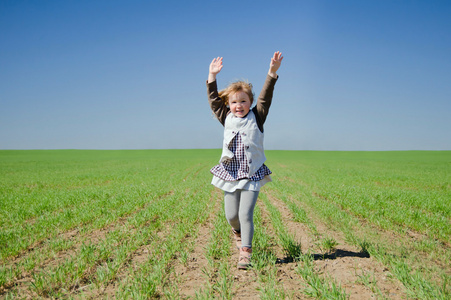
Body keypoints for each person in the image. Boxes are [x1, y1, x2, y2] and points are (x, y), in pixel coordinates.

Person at [206, 51, 283, 269]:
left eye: (243, 101)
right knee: (231, 216)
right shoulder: (226, 117)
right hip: (230, 174)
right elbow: (213, 100)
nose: (238, 105)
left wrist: (272, 72)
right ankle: (237, 233)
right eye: (234, 102)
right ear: (228, 104)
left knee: (245, 213)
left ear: (250, 102)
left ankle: (245, 252)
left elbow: (266, 96)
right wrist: (212, 76)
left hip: (251, 173)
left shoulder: (257, 116)